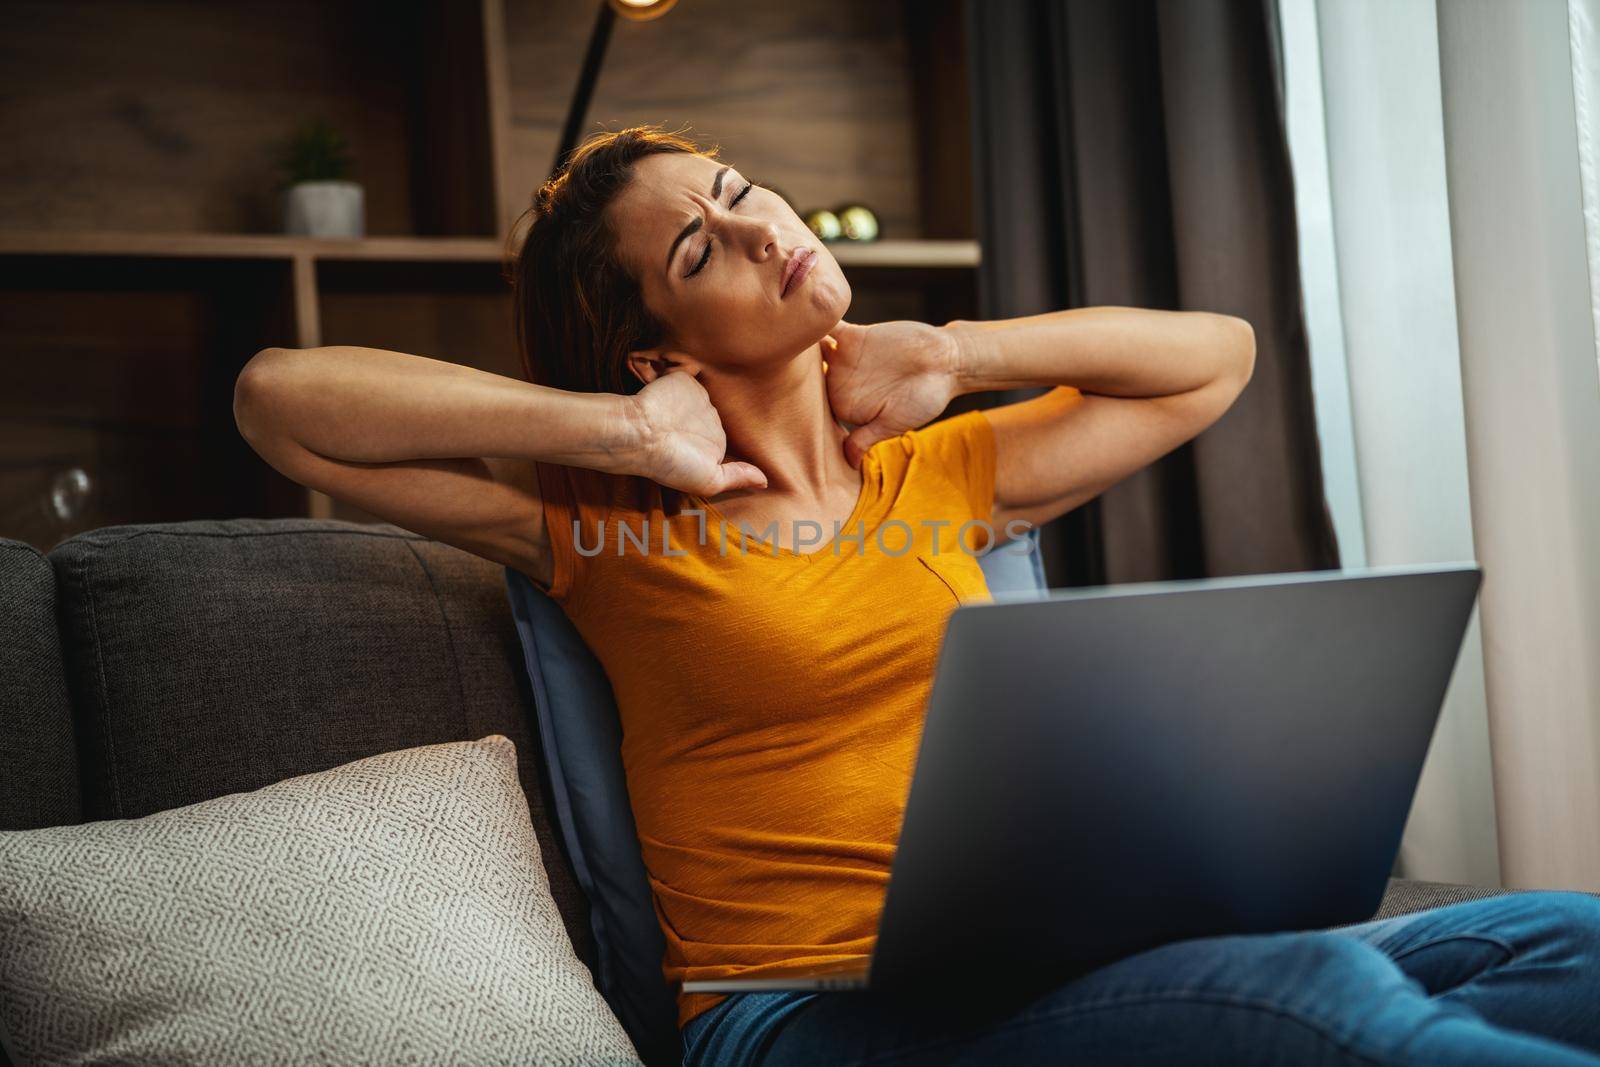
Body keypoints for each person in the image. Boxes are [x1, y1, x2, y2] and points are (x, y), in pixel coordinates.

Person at [233, 125, 1600, 1066]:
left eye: (740, 190)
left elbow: (1215, 361)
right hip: (803, 1018)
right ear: (654, 344)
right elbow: (283, 407)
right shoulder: (605, 529)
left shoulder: (942, 474)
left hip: (1040, 969)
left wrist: (955, 351)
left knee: (1568, 939)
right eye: (699, 250)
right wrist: (624, 436)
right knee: (1316, 990)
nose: (759, 230)